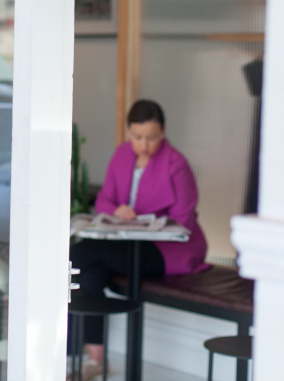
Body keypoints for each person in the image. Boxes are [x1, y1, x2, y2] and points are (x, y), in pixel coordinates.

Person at [68, 99, 208, 380]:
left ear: (163, 132)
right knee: (91, 273)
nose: (144, 144)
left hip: (166, 250)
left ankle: (28, 287)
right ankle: (96, 360)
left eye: (151, 137)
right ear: (129, 132)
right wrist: (116, 211)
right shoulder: (122, 155)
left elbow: (183, 220)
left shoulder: (177, 164)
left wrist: (145, 221)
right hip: (125, 242)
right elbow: (105, 200)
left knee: (83, 253)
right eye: (137, 137)